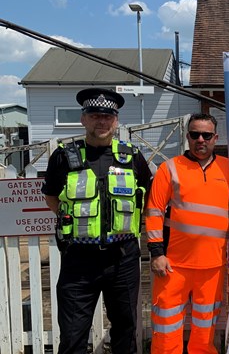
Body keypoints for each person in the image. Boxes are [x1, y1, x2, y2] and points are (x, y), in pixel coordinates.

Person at [42, 88, 152, 354]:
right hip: (79, 260)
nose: (101, 121)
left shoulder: (132, 156)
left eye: (107, 116)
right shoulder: (63, 156)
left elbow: (148, 199)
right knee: (72, 334)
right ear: (83, 119)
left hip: (122, 258)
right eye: (94, 115)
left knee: (126, 330)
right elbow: (52, 198)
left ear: (116, 121)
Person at [145, 113, 229, 354]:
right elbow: (153, 212)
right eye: (194, 134)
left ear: (215, 137)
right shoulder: (169, 168)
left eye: (206, 135)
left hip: (213, 265)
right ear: (187, 137)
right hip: (174, 265)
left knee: (205, 332)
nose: (200, 139)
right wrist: (156, 253)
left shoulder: (228, 168)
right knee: (166, 329)